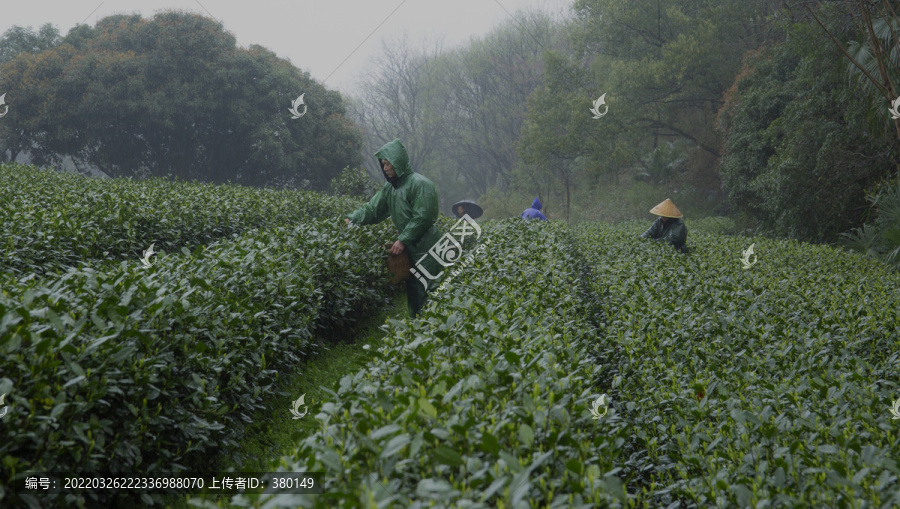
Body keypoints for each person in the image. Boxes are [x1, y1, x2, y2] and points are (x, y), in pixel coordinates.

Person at [344, 139, 442, 318]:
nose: (386, 168)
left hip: (428, 247)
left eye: (388, 163)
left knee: (431, 287)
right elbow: (373, 210)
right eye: (383, 164)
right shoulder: (390, 188)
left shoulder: (421, 184)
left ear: (398, 162)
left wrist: (403, 240)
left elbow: (424, 217)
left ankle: (440, 330)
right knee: (414, 290)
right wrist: (352, 219)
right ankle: (419, 329)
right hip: (410, 250)